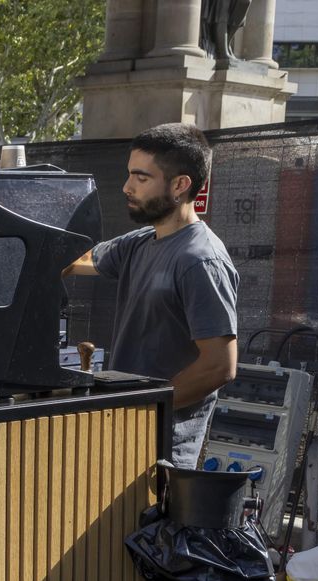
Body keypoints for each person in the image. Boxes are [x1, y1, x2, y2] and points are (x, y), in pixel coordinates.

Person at [64, 123, 238, 469]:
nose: (127, 187)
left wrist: (146, 408)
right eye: (130, 174)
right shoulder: (140, 242)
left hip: (160, 452)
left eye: (141, 178)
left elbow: (220, 366)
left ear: (180, 185)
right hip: (120, 432)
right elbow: (74, 261)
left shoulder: (201, 261)